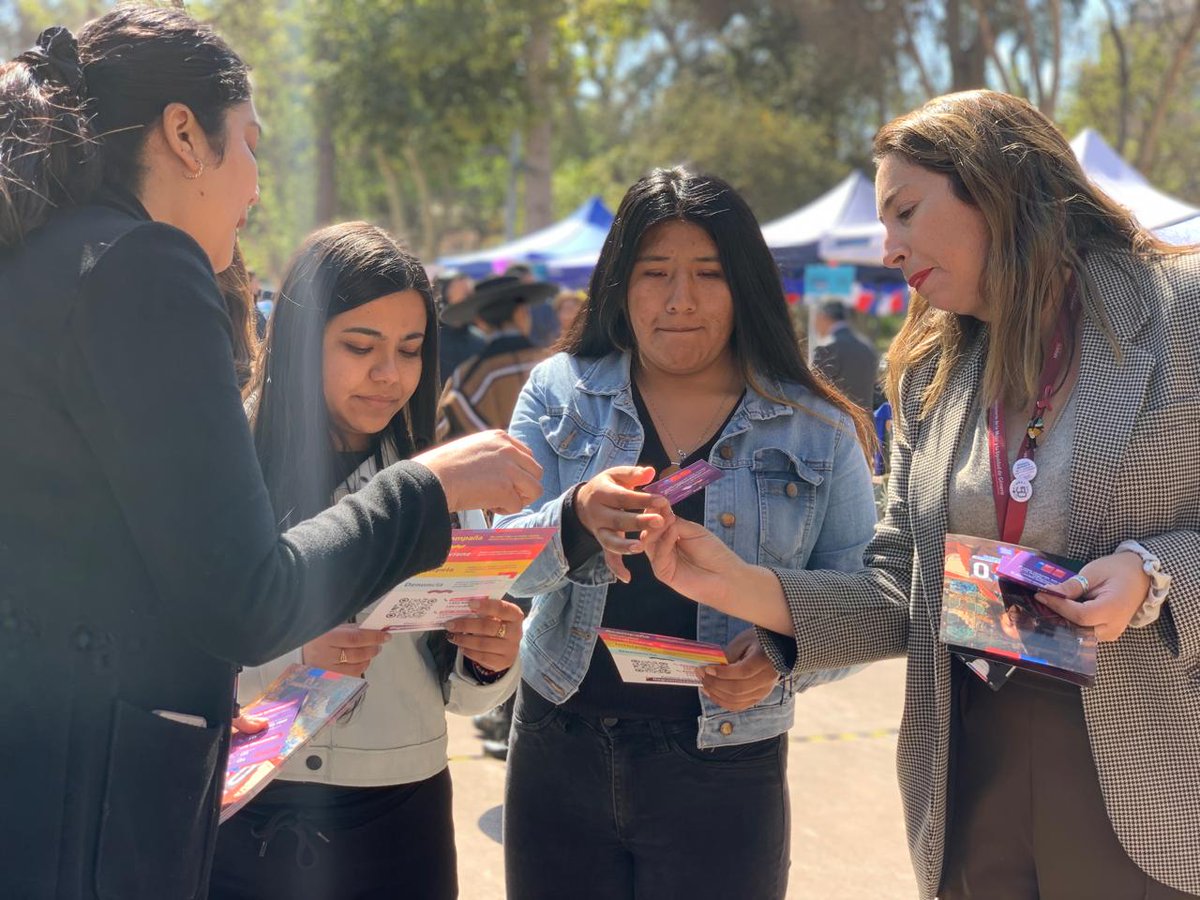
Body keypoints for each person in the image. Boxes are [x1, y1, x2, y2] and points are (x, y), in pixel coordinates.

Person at [0, 11, 542, 899]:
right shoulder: (143, 264)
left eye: (410, 350)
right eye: (250, 143)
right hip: (92, 804)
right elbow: (248, 600)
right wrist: (424, 485)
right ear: (185, 135)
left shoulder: (36, 262)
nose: (256, 184)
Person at [639, 91, 1200, 899]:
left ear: (998, 185)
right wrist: (741, 587)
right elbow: (907, 584)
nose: (889, 248)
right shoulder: (931, 372)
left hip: (1160, 790)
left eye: (905, 212)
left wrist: (1156, 574)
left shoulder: (1182, 314)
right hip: (976, 784)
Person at [495, 167, 878, 899]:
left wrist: (783, 653)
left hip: (726, 769)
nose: (680, 299)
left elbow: (866, 601)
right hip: (557, 745)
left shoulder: (818, 427)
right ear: (619, 284)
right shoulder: (559, 392)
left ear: (746, 286)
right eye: (654, 272)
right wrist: (573, 518)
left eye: (709, 272)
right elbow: (503, 565)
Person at [209, 223, 522, 899]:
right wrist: (290, 657)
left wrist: (491, 660)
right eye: (359, 346)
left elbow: (463, 695)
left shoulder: (442, 476)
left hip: (399, 811)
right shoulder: (221, 458)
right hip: (244, 796)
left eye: (410, 350)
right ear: (301, 340)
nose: (390, 375)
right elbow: (167, 639)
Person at [436, 273, 556, 442]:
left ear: (480, 321)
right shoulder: (555, 367)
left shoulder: (465, 379)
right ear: (521, 313)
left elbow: (442, 435)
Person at [811, 299, 880, 413]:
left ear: (823, 317)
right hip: (866, 421)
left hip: (836, 421)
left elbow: (814, 392)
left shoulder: (826, 347)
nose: (815, 325)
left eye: (816, 319)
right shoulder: (867, 347)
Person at [435, 269, 483, 378]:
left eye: (469, 294)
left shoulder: (480, 340)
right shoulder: (430, 340)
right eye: (465, 295)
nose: (469, 300)